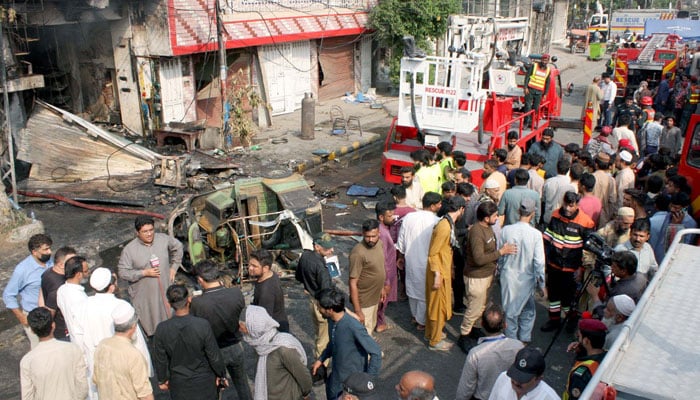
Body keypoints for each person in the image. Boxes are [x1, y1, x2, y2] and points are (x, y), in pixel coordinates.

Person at [81, 267, 152, 400]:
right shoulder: (121, 306)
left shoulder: (85, 305)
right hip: (124, 362)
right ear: (112, 287)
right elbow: (138, 342)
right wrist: (145, 370)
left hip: (100, 361)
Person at [459, 201, 517, 352]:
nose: (497, 218)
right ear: (486, 218)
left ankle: (475, 329)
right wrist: (501, 253)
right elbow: (478, 259)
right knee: (474, 309)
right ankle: (464, 335)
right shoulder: (477, 232)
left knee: (482, 306)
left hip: (487, 275)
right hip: (477, 277)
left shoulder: (488, 228)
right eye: (495, 215)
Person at [191, 260, 252, 400]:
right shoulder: (236, 293)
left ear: (200, 279)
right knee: (242, 385)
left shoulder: (198, 303)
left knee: (215, 387)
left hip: (214, 352)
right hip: (236, 345)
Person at [153, 284, 227, 400]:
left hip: (179, 384)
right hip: (204, 382)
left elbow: (160, 359)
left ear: (169, 304)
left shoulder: (162, 329)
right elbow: (214, 355)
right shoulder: (202, 324)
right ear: (189, 299)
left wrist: (162, 379)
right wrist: (221, 374)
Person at [118, 215, 184, 337]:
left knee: (170, 317)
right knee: (151, 323)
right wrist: (144, 273)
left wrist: (174, 268)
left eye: (151, 230)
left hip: (165, 287)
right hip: (145, 295)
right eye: (145, 232)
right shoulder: (130, 250)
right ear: (137, 232)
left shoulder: (163, 239)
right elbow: (123, 272)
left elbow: (178, 247)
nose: (149, 234)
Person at [312, 288, 382, 400]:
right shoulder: (332, 320)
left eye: (319, 307)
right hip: (335, 380)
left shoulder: (353, 326)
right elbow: (333, 342)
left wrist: (368, 381)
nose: (317, 309)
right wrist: (321, 359)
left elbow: (376, 353)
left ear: (330, 310)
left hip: (351, 387)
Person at [542, 191, 595, 332]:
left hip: (572, 268)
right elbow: (547, 238)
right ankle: (554, 321)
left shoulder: (586, 222)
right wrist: (545, 260)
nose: (567, 208)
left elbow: (588, 249)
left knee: (568, 299)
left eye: (571, 206)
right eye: (566, 204)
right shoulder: (555, 215)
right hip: (554, 264)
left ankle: (570, 320)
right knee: (553, 296)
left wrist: (581, 269)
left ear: (577, 205)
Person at [240, 305, 312, 400]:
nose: (239, 329)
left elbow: (304, 377)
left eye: (241, 326)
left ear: (253, 327)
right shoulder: (260, 345)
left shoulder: (283, 348)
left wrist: (304, 394)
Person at [499, 198, 546, 343]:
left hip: (508, 276)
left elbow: (500, 254)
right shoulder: (536, 234)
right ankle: (524, 340)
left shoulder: (506, 230)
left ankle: (510, 341)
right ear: (532, 213)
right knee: (528, 311)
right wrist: (542, 284)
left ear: (519, 211)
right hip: (527, 279)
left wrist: (499, 272)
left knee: (509, 312)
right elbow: (539, 261)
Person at [455, 305, 524, 400]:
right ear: (505, 325)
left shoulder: (476, 354)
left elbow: (466, 387)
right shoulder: (518, 346)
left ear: (482, 324)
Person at [20, 307, 88, 400]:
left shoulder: (27, 361)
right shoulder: (72, 349)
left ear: (32, 330)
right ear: (53, 325)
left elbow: (27, 396)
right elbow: (82, 386)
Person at [396, 192, 442, 330]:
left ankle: (415, 316)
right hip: (427, 263)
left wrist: (401, 256)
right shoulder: (437, 222)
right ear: (433, 206)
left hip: (410, 259)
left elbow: (401, 240)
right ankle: (421, 321)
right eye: (439, 203)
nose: (441, 206)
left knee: (412, 289)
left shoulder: (409, 217)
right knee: (423, 293)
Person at [426, 196, 466, 351]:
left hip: (443, 270)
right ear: (461, 209)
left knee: (438, 304)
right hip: (438, 273)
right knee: (438, 306)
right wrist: (437, 274)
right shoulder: (444, 226)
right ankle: (434, 341)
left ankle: (433, 333)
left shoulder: (447, 223)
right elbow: (433, 253)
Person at [92, 302, 153, 400]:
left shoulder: (102, 345)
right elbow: (145, 394)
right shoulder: (133, 355)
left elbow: (96, 379)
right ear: (133, 326)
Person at [3, 233, 53, 348]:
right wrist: (21, 317)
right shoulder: (22, 270)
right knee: (39, 351)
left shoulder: (50, 262)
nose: (49, 252)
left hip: (52, 312)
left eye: (49, 248)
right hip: (35, 316)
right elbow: (8, 295)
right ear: (34, 252)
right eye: (45, 249)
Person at [295, 231, 335, 359]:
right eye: (327, 248)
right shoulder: (320, 267)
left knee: (318, 332)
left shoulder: (305, 256)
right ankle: (321, 365)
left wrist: (308, 286)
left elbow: (298, 276)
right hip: (321, 303)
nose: (331, 250)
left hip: (312, 300)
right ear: (317, 247)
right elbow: (326, 290)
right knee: (324, 338)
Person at [349, 219, 386, 335]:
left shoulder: (379, 243)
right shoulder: (358, 253)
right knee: (364, 332)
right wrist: (358, 310)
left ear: (379, 233)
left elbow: (380, 266)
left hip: (375, 297)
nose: (370, 240)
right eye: (367, 236)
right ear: (362, 234)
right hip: (364, 301)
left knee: (371, 325)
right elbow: (352, 283)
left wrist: (382, 288)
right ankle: (367, 352)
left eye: (373, 236)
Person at [488, 347, 559, 400]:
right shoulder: (504, 377)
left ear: (538, 378)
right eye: (514, 375)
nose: (515, 382)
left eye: (522, 379)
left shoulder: (549, 398)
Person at [564, 319, 608, 400]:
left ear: (586, 340)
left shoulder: (581, 373)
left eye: (579, 336)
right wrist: (581, 348)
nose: (578, 339)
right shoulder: (608, 355)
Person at [39, 246, 76, 341]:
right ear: (61, 264)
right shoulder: (59, 288)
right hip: (63, 331)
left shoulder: (47, 273)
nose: (75, 265)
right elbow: (50, 311)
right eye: (72, 262)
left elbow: (41, 293)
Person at [649, 192, 697, 262]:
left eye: (676, 208)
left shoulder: (690, 224)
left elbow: (680, 248)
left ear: (685, 208)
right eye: (671, 206)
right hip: (657, 257)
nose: (672, 209)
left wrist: (675, 226)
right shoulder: (669, 216)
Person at [249, 249, 289, 332]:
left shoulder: (266, 292)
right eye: (249, 264)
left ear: (266, 268)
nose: (250, 268)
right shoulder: (271, 274)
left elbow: (264, 320)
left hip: (274, 333)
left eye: (254, 266)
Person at [56, 256, 89, 350]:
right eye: (86, 271)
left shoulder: (61, 290)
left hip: (74, 339)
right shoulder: (79, 298)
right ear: (79, 274)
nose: (88, 273)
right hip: (84, 343)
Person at [375, 202, 397, 333]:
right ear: (381, 217)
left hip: (389, 270)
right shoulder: (382, 233)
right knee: (382, 300)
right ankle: (380, 322)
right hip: (386, 273)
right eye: (390, 215)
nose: (393, 217)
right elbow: (382, 259)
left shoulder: (383, 228)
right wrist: (386, 282)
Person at [542, 158, 575, 225]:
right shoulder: (570, 184)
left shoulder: (549, 181)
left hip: (548, 216)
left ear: (557, 168)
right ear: (568, 170)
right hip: (562, 218)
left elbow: (543, 199)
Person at [523, 54, 551, 127]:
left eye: (546, 60)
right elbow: (527, 76)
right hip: (530, 89)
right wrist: (525, 87)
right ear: (541, 60)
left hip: (539, 92)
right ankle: (526, 123)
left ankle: (531, 123)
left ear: (548, 61)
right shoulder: (534, 66)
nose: (544, 62)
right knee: (528, 106)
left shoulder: (548, 70)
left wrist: (545, 94)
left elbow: (547, 82)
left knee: (536, 108)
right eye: (543, 60)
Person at [592, 152, 617, 226]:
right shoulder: (611, 180)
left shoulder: (591, 177)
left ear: (596, 165)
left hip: (590, 212)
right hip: (604, 215)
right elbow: (612, 200)